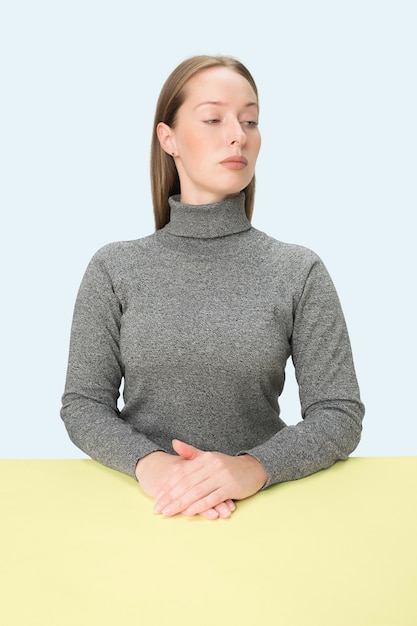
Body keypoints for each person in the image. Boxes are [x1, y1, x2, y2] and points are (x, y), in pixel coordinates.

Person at [61, 54, 364, 520]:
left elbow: (339, 414)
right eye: (213, 118)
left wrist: (253, 467)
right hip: (139, 512)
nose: (238, 135)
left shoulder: (298, 270)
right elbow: (83, 405)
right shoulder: (114, 267)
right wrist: (152, 465)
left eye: (250, 120)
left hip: (267, 514)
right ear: (169, 139)